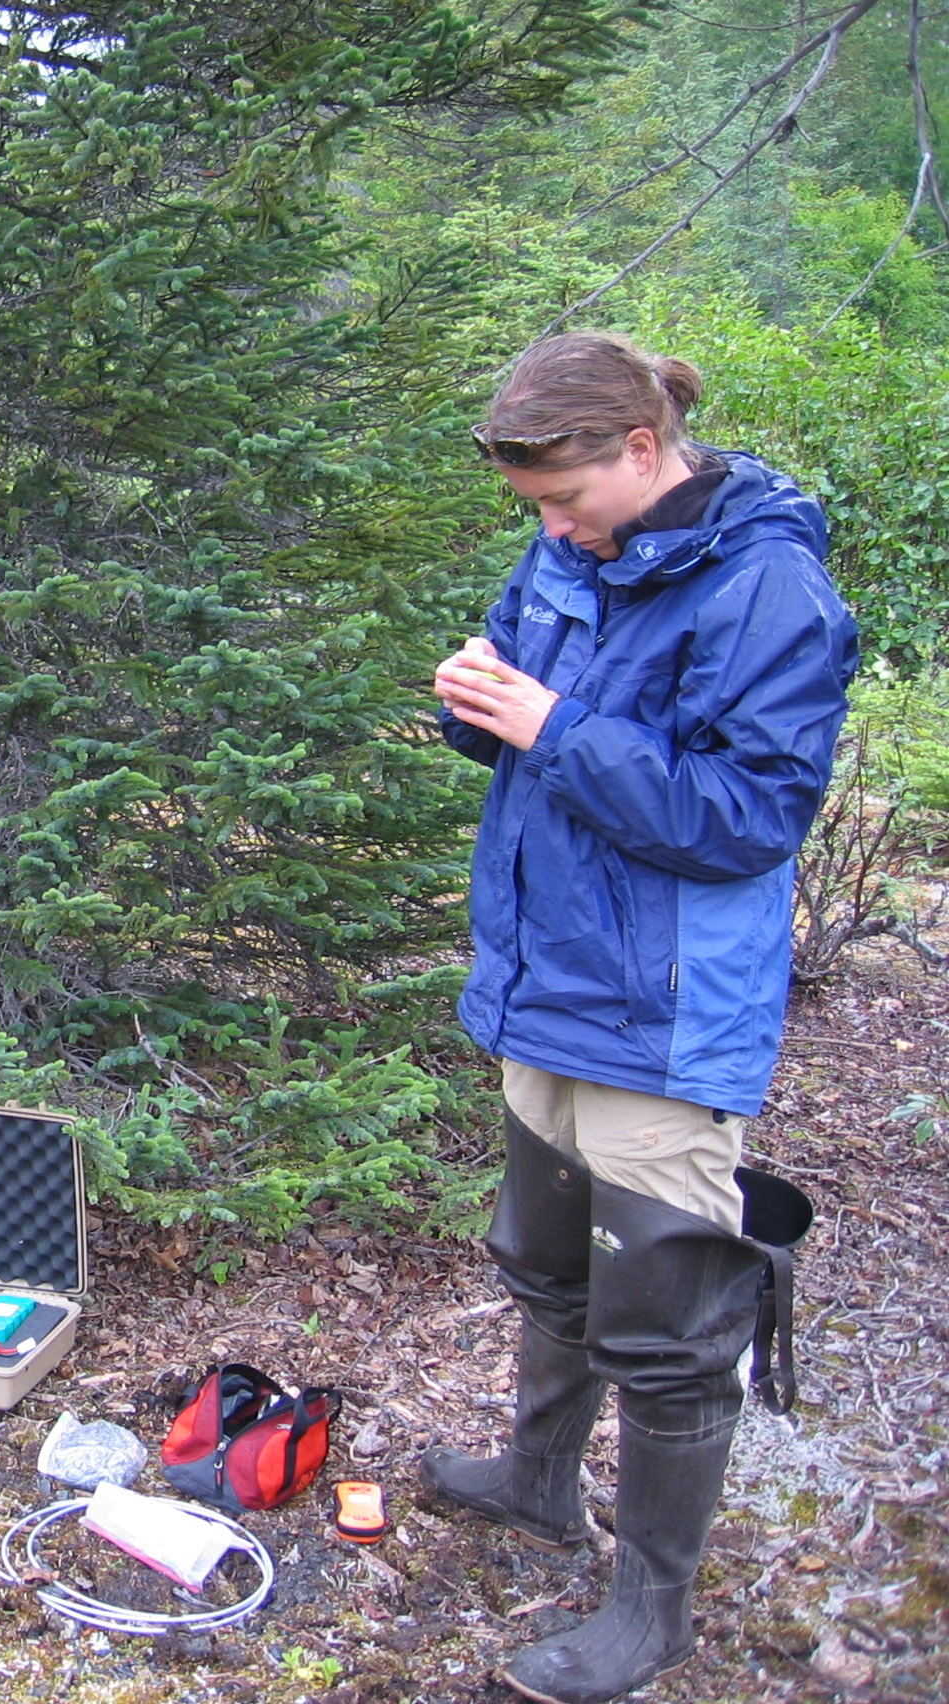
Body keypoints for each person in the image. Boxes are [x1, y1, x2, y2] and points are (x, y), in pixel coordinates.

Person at [425, 331, 858, 1704]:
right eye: (534, 510)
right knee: (545, 1254)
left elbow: (748, 816)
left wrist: (553, 726)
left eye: (568, 499)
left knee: (666, 1320)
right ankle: (540, 1483)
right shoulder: (570, 548)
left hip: (667, 1006)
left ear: (641, 449)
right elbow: (520, 695)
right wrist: (478, 705)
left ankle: (653, 1613)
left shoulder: (767, 582)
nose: (554, 530)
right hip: (548, 972)